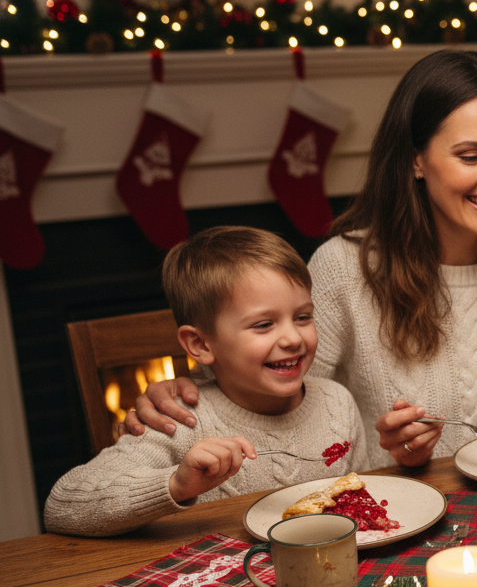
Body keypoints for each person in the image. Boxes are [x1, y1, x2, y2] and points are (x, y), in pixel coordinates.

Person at [122, 51, 477, 467]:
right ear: (415, 160)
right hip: (397, 519)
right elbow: (287, 402)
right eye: (472, 156)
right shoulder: (344, 267)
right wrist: (194, 395)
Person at [45, 227, 367, 537]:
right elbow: (63, 503)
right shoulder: (180, 419)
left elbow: (366, 498)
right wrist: (176, 484)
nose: (293, 338)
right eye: (264, 324)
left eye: (302, 317)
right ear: (200, 345)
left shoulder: (336, 404)